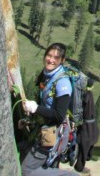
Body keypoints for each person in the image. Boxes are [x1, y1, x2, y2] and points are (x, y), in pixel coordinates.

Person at [21, 43, 74, 176]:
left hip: (52, 134)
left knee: (26, 170)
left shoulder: (63, 83)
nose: (51, 60)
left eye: (56, 57)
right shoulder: (47, 75)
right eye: (49, 55)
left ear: (62, 60)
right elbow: (45, 104)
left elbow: (59, 115)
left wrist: (35, 108)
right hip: (44, 129)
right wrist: (28, 120)